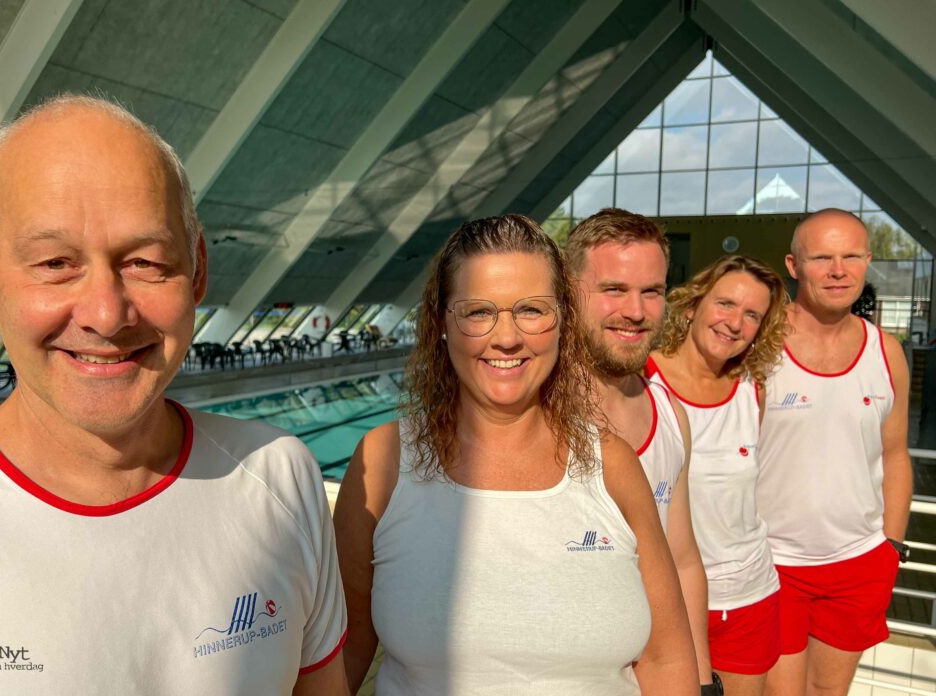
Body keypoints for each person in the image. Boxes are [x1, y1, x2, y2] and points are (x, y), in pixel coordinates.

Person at [0, 95, 347, 695]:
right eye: (56, 262)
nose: (106, 314)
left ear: (197, 269)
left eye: (145, 262)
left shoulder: (279, 475)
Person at [333, 214, 699, 694]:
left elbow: (666, 657)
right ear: (442, 322)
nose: (506, 338)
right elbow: (345, 645)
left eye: (531, 310)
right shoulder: (383, 462)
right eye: (479, 311)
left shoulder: (612, 464)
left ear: (563, 319)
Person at [758, 209, 911, 696]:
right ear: (794, 265)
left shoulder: (886, 352)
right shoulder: (759, 345)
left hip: (859, 563)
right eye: (822, 257)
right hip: (772, 562)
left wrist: (891, 547)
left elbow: (896, 454)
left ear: (868, 261)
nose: (838, 270)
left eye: (850, 256)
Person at [566, 208, 717, 694]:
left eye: (651, 291)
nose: (636, 310)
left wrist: (701, 679)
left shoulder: (672, 417)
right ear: (570, 293)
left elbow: (683, 560)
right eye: (614, 290)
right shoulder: (530, 415)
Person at [647, 255, 789, 696]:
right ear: (692, 305)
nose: (735, 323)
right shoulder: (641, 381)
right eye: (725, 304)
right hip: (666, 604)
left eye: (752, 315)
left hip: (749, 598)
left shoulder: (754, 389)